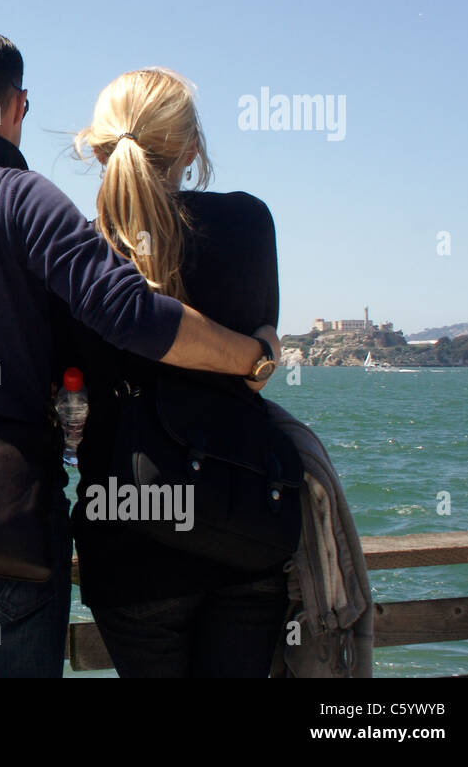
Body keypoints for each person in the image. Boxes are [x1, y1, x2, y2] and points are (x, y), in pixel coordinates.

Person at [0, 30, 280, 678]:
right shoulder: (30, 202)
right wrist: (252, 356)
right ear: (17, 108)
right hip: (7, 505)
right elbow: (129, 313)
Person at [63, 67, 285, 677]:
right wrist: (264, 348)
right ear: (190, 146)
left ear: (100, 145)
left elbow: (66, 394)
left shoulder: (79, 252)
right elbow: (259, 362)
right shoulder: (247, 224)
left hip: (128, 541)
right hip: (245, 526)